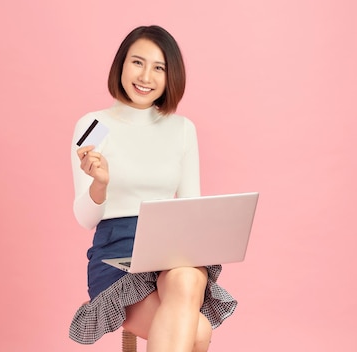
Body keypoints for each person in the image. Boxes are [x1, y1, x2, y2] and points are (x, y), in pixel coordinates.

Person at [69, 25, 237, 352]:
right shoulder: (94, 125)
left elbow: (191, 206)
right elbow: (84, 217)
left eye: (159, 67)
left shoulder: (182, 129)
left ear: (170, 75)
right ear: (121, 65)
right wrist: (100, 185)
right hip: (117, 248)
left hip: (171, 247)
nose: (146, 76)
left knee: (187, 277)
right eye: (137, 63)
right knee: (197, 331)